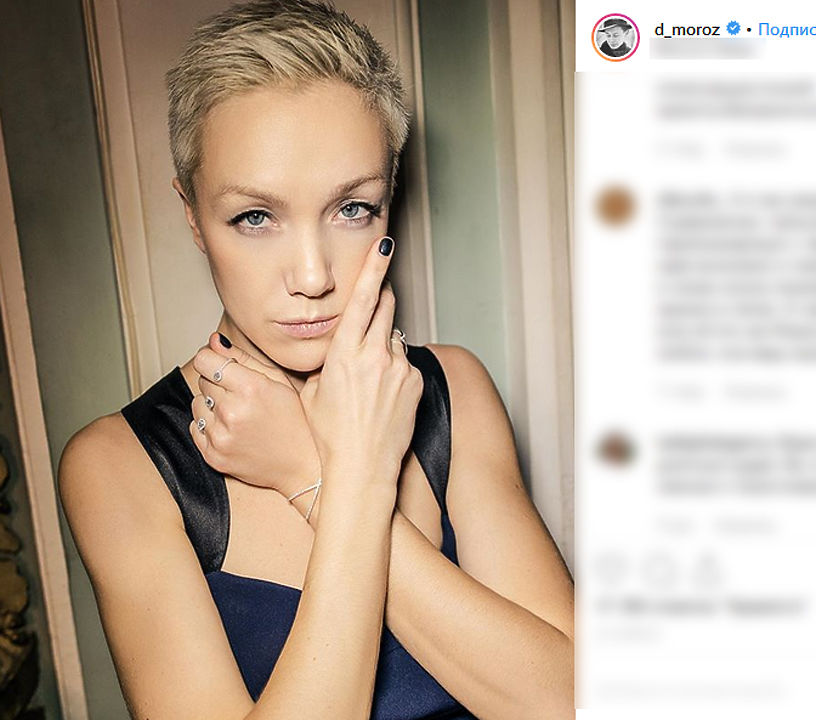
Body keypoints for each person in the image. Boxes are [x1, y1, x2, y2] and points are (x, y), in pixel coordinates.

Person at [57, 2, 574, 719]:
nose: (311, 276)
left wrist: (313, 475)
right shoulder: (120, 466)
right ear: (192, 215)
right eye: (255, 217)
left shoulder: (453, 389)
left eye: (352, 208)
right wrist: (354, 484)